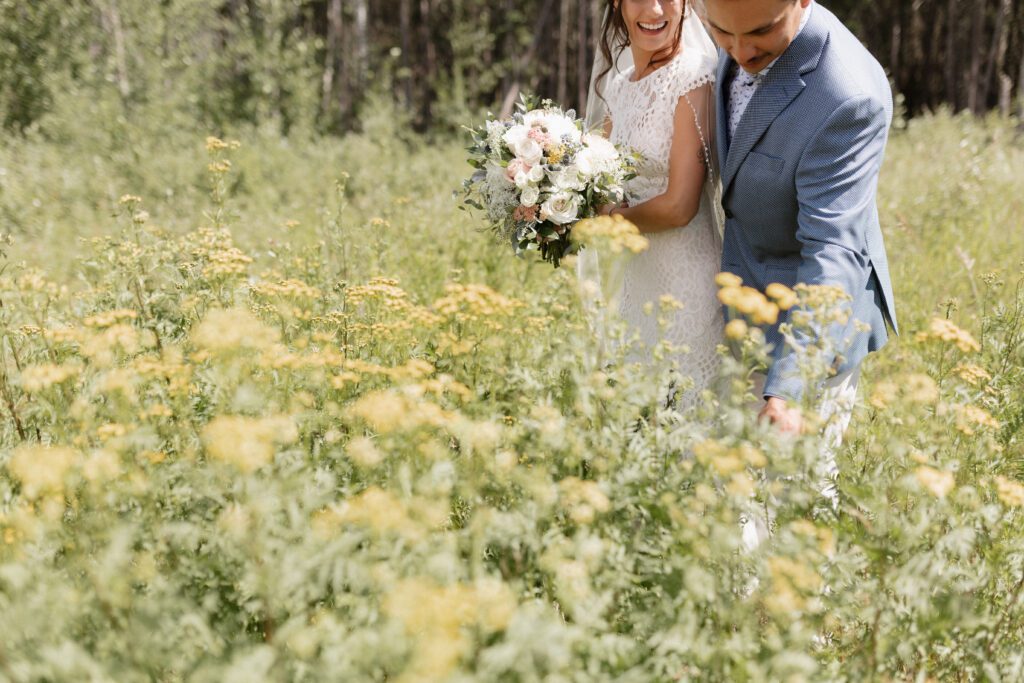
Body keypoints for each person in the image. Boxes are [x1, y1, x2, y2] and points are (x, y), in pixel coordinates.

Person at [705, 0, 898, 543]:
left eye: (762, 33)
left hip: (813, 318)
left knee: (801, 497)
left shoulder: (847, 95)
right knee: (738, 498)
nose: (741, 52)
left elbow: (833, 250)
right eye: (722, 32)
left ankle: (807, 627)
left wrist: (787, 389)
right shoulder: (736, 32)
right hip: (742, 291)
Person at [585, 0, 726, 408]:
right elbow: (604, 173)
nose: (654, 9)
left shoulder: (694, 77)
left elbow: (679, 206)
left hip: (685, 284)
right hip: (637, 280)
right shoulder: (620, 83)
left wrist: (612, 217)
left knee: (686, 421)